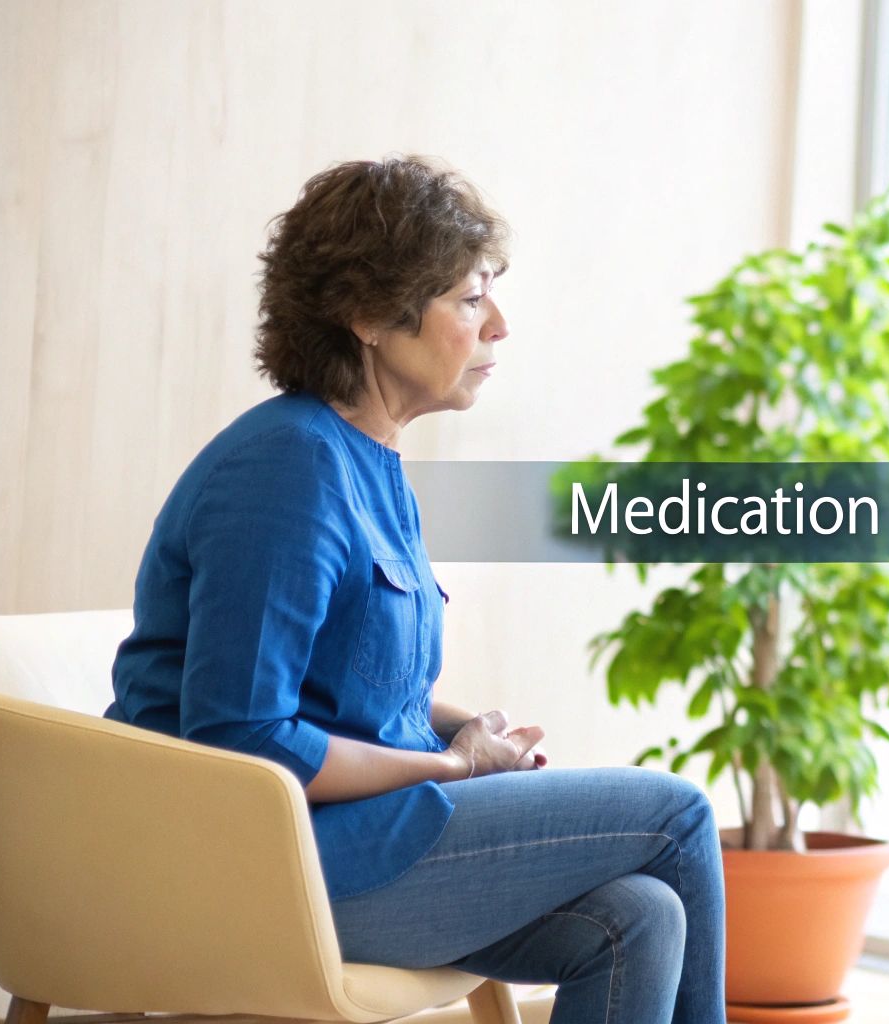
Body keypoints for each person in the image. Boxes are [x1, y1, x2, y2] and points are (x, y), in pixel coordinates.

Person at [105, 156, 725, 1024]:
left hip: (360, 841)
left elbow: (350, 682)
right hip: (270, 869)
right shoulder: (287, 467)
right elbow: (244, 736)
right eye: (470, 300)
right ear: (366, 315)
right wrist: (452, 765)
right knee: (681, 815)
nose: (498, 325)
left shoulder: (372, 458)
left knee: (641, 917)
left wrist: (462, 729)